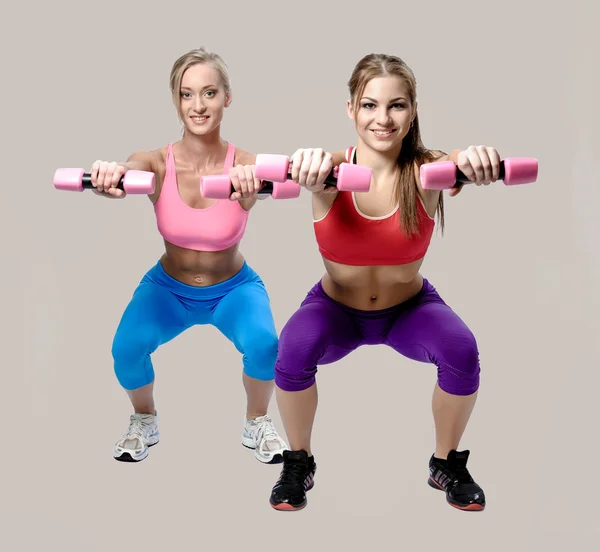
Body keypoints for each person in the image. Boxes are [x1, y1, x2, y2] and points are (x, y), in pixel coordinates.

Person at [268, 53, 504, 512]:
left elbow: (458, 160)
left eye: (396, 105)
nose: (382, 118)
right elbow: (307, 161)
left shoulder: (429, 170)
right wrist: (309, 162)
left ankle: (446, 463)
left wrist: (476, 158)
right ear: (351, 110)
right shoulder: (329, 170)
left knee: (462, 351)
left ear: (412, 110)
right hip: (337, 310)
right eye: (369, 105)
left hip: (407, 310)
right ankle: (298, 461)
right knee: (292, 348)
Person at [88, 47, 288, 464]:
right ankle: (144, 419)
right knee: (125, 347)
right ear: (176, 101)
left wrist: (255, 185)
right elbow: (130, 167)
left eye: (209, 93)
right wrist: (113, 172)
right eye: (187, 95)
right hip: (169, 290)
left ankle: (256, 421)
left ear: (227, 98)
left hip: (232, 289)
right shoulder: (157, 163)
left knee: (266, 344)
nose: (198, 106)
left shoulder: (245, 166)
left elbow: (271, 181)